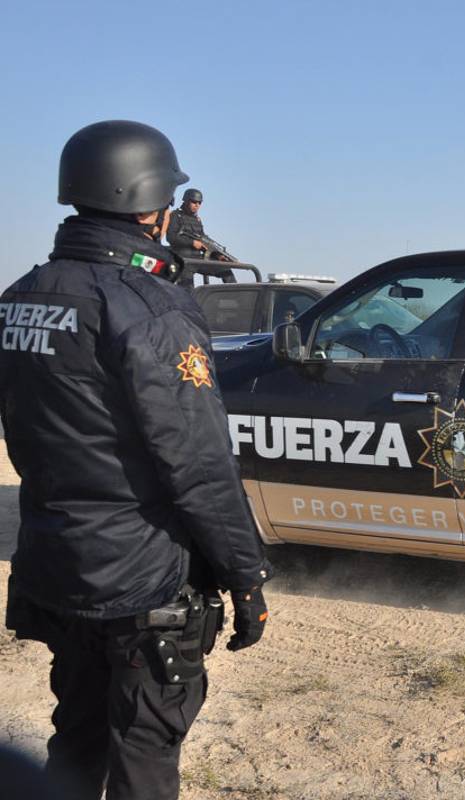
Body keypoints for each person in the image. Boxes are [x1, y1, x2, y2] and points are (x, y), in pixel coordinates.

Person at [0, 120, 272, 800]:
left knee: (76, 742)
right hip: (141, 581)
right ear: (150, 206)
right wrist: (246, 576)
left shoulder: (21, 297)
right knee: (145, 757)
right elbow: (199, 463)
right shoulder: (151, 309)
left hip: (59, 566)